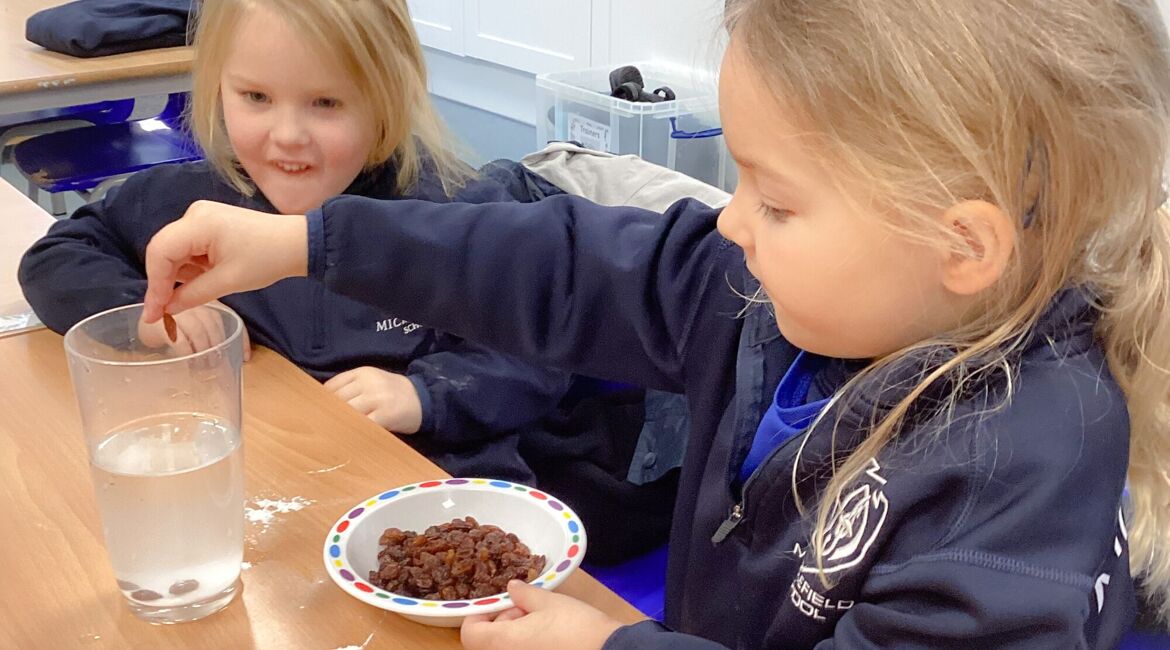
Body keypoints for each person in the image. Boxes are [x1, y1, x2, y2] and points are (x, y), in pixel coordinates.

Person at [138, 0, 1170, 647]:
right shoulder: (763, 294)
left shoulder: (1020, 489)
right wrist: (305, 244)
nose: (730, 217)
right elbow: (558, 261)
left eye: (774, 197)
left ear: (961, 244)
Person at [20, 0, 578, 484]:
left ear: (388, 97)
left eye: (326, 103)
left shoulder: (453, 212)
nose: (286, 135)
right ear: (218, 87)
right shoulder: (189, 201)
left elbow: (538, 349)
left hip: (436, 488)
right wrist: (148, 306)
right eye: (256, 97)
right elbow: (55, 257)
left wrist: (425, 396)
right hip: (265, 476)